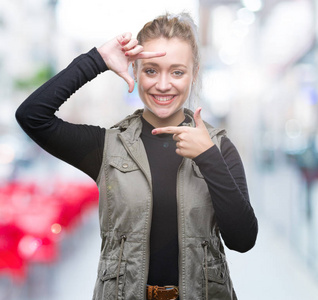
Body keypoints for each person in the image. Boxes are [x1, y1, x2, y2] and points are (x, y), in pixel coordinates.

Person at [16, 12, 258, 300]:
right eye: (151, 70)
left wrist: (207, 157)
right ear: (135, 71)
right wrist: (97, 59)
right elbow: (32, 116)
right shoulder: (107, 146)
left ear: (193, 74)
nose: (163, 84)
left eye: (177, 72)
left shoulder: (218, 148)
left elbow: (243, 240)